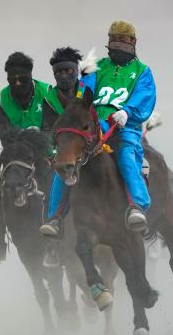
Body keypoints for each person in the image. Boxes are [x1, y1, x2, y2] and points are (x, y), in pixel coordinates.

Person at [40, 21, 156, 237]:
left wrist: (127, 112)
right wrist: (83, 85)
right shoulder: (97, 67)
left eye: (123, 40)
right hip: (95, 123)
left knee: (126, 156)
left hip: (126, 126)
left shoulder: (143, 72)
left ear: (133, 42)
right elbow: (83, 94)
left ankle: (137, 206)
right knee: (65, 159)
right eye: (114, 40)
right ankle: (55, 217)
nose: (118, 44)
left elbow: (145, 96)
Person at [0, 52, 50, 263]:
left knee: (56, 183)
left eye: (22, 78)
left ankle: (58, 232)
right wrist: (31, 136)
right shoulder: (1, 99)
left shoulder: (48, 93)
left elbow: (51, 128)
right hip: (17, 155)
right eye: (12, 79)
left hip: (46, 153)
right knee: (0, 189)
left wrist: (26, 136)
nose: (17, 83)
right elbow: (5, 136)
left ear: (31, 75)